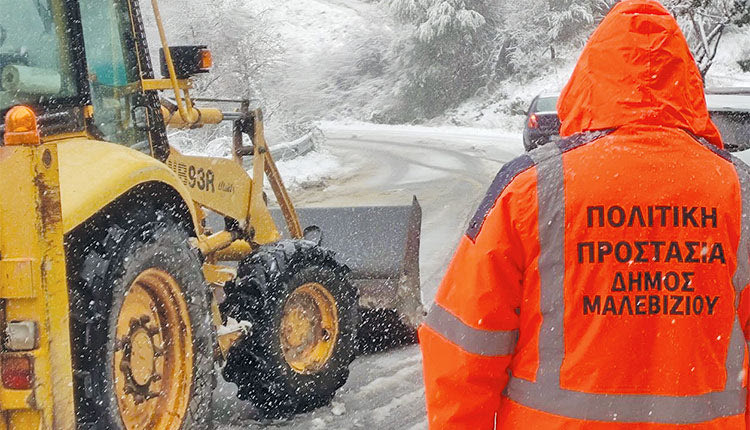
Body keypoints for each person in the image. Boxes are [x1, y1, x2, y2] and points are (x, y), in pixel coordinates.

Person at [419, 0, 750, 428]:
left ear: (589, 76)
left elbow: (463, 351)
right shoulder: (738, 191)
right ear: (686, 82)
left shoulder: (531, 188)